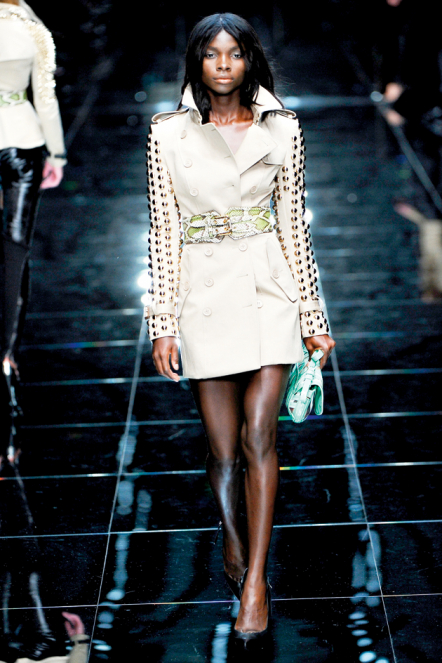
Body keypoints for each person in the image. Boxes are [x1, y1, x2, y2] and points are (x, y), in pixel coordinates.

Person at [145, 13, 335, 639]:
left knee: (260, 437)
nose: (223, 64)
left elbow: (294, 224)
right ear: (197, 62)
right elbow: (163, 230)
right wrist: (162, 321)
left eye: (234, 53)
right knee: (223, 450)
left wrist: (313, 317)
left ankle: (255, 580)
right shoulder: (167, 133)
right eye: (211, 54)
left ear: (250, 59)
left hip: (267, 288)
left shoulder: (283, 129)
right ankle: (232, 538)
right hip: (202, 292)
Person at [0, 0, 66, 463]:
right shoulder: (30, 27)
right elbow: (44, 94)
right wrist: (57, 153)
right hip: (22, 143)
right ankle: (6, 355)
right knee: (14, 251)